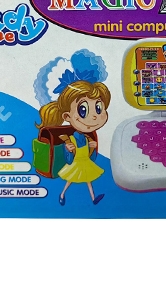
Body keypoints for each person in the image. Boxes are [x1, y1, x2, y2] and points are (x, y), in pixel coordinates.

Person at [34, 50, 111, 206]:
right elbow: (68, 160)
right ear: (67, 117)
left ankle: (93, 198)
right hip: (76, 164)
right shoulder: (68, 138)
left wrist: (92, 147)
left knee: (88, 180)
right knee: (70, 181)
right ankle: (62, 195)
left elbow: (91, 157)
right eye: (83, 110)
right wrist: (68, 149)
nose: (94, 116)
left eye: (98, 108)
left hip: (85, 163)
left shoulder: (88, 136)